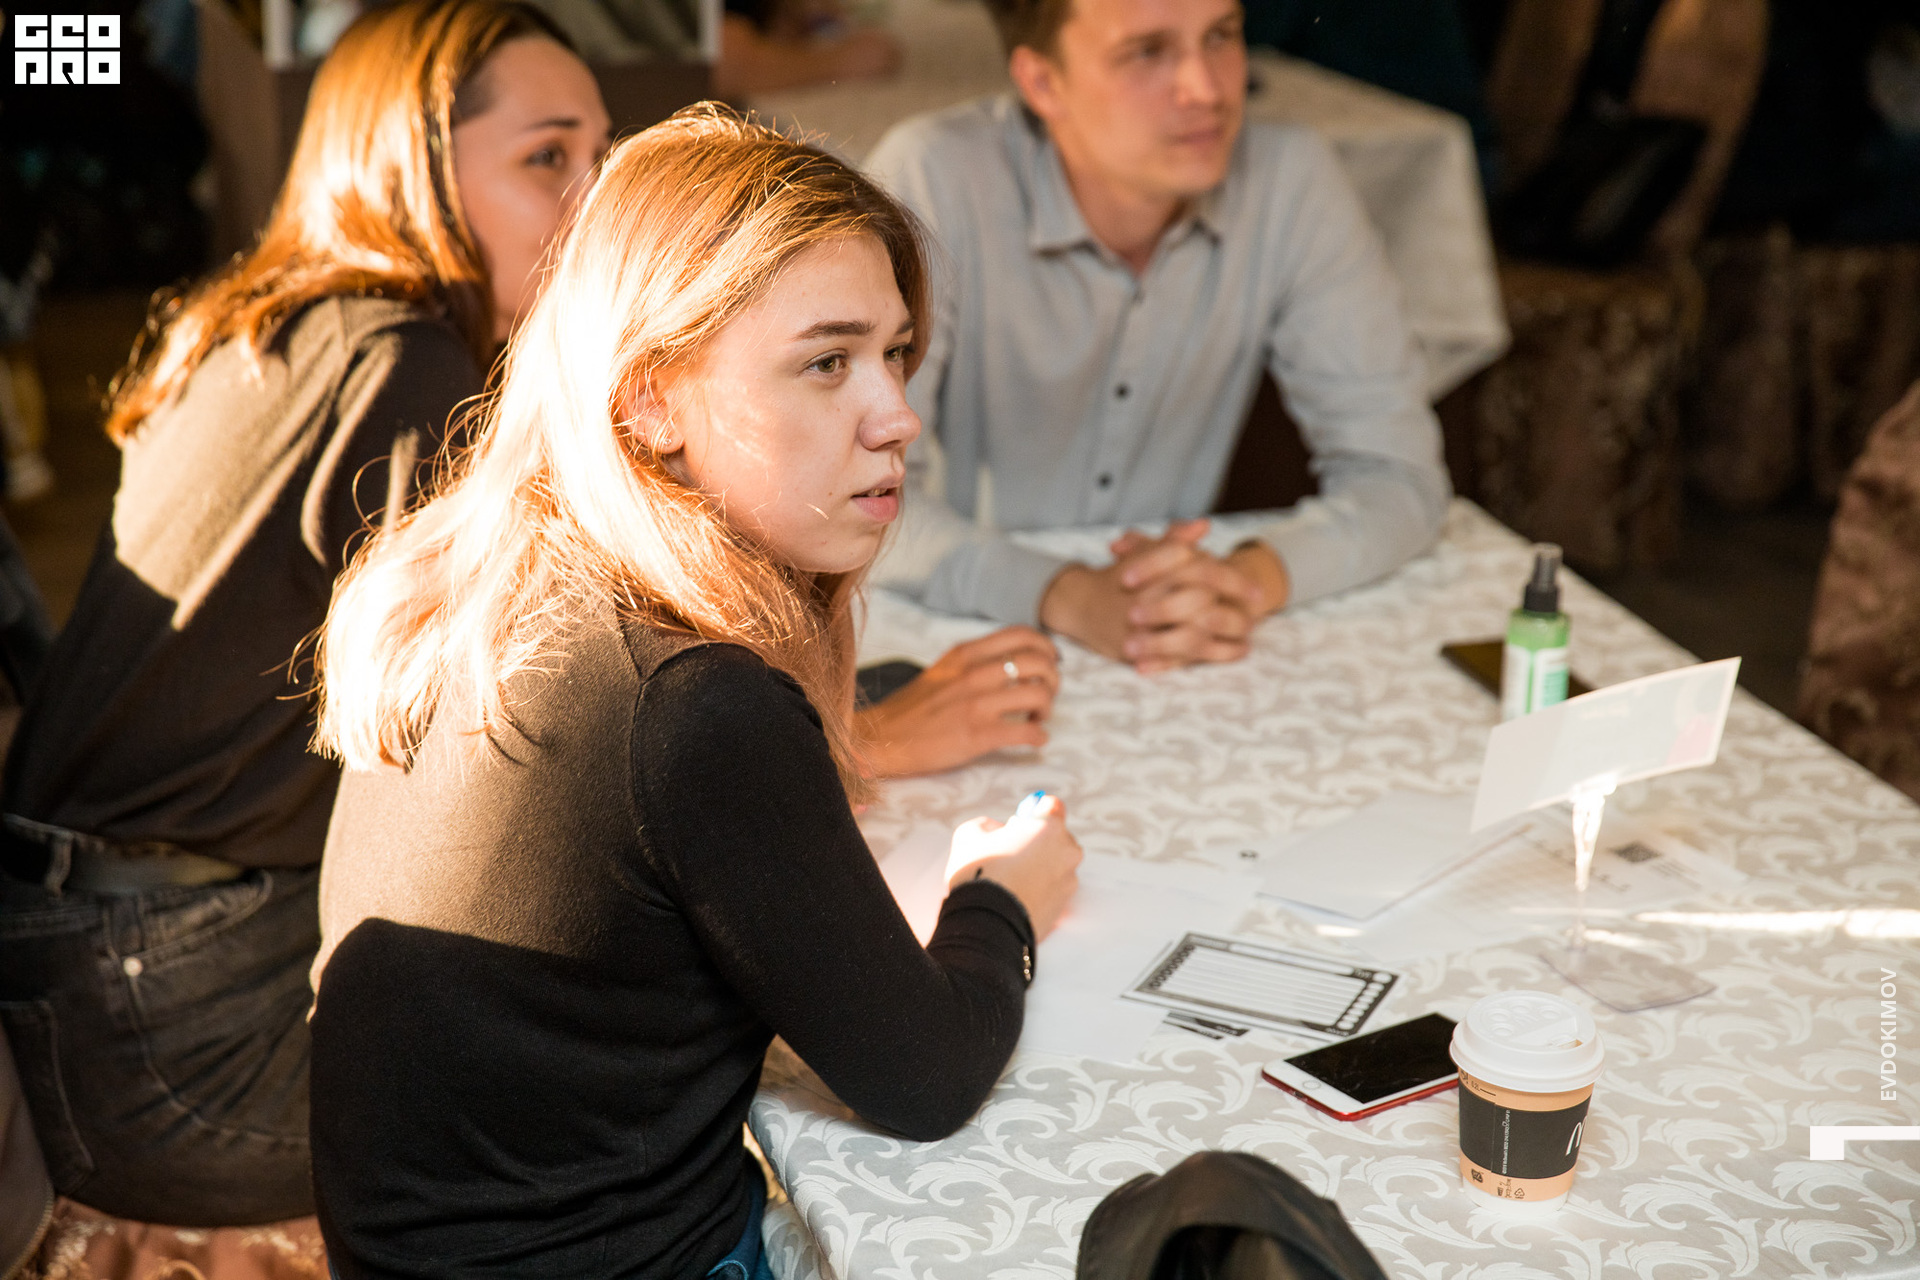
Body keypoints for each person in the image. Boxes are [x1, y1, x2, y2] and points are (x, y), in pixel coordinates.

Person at [307, 106, 1083, 1277]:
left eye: (895, 353)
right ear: (651, 401)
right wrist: (999, 898)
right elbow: (926, 1077)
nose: (896, 415)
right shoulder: (694, 703)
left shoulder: (477, 581)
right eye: (827, 362)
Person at [0, 0, 610, 1225]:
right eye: (549, 158)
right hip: (172, 1017)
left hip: (86, 955)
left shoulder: (280, 318)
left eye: (605, 157)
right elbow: (497, 760)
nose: (595, 206)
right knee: (637, 1071)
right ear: (410, 167)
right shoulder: (404, 363)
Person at [863, 0, 1451, 673]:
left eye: (1221, 36)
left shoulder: (1290, 179)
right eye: (1147, 52)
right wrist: (1067, 594)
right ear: (1042, 82)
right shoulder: (935, 176)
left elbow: (1397, 474)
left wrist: (1244, 580)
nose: (1206, 88)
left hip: (1181, 638)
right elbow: (858, 498)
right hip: (953, 637)